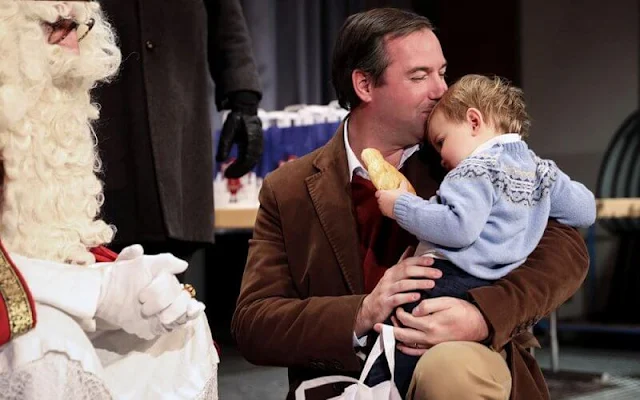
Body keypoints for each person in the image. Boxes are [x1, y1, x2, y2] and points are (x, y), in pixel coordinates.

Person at [231, 7, 589, 400]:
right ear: (364, 85)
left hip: (461, 361)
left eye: (442, 72)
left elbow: (568, 248)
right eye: (420, 76)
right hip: (346, 383)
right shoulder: (289, 189)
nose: (441, 89)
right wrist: (363, 311)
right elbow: (254, 323)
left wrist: (483, 314)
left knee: (449, 372)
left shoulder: (471, 157)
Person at [0, 2, 218, 399]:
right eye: (58, 26)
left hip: (40, 285)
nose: (73, 44)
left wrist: (121, 280)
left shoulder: (48, 105)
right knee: (49, 345)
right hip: (18, 304)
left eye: (80, 27)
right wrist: (98, 293)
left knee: (180, 330)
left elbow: (48, 239)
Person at [369, 73, 596, 395]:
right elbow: (584, 211)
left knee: (404, 333)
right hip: (496, 282)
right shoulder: (539, 168)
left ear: (473, 121)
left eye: (441, 142)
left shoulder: (473, 169)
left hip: (453, 277)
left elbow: (457, 228)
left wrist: (402, 206)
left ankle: (377, 385)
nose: (442, 159)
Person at [94, 0, 263, 267]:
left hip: (175, 121)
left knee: (171, 277)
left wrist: (243, 100)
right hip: (101, 117)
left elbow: (226, 16)